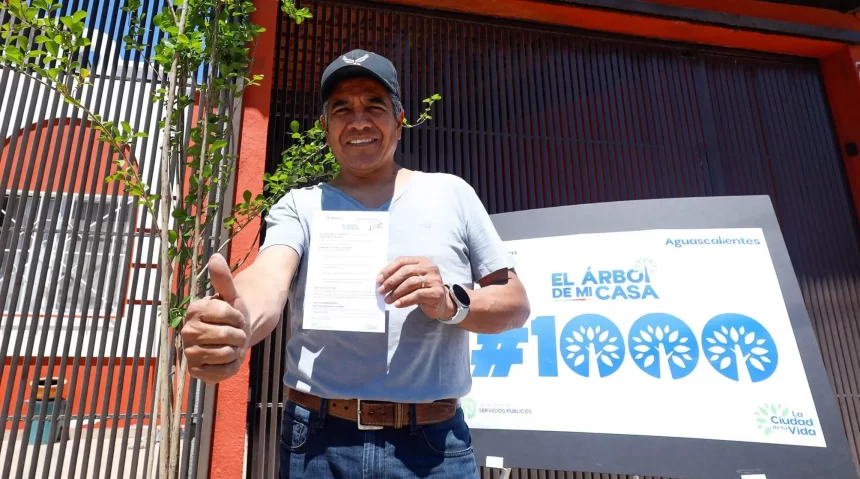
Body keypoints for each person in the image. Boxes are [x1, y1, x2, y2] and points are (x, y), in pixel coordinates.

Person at [181, 49, 531, 478]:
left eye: (374, 106)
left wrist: (450, 303)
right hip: (316, 443)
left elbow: (515, 304)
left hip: (433, 448)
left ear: (399, 120)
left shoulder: (451, 194)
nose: (359, 121)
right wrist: (237, 319)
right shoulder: (301, 205)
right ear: (326, 127)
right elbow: (269, 279)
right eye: (342, 108)